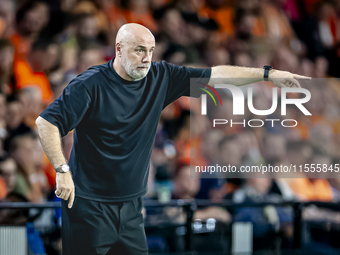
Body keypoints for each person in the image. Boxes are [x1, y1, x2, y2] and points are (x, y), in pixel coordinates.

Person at [35, 23, 310, 255]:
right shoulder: (90, 85)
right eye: (139, 50)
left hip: (131, 207)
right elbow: (46, 122)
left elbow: (217, 76)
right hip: (88, 206)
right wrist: (62, 169)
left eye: (151, 51)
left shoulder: (160, 76)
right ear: (119, 49)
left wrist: (267, 74)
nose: (146, 58)